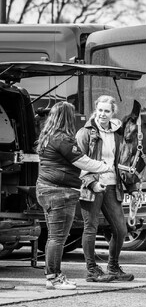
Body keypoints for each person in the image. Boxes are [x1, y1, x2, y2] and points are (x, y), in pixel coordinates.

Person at [36, 102, 111, 290]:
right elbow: (84, 162)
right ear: (68, 117)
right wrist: (107, 166)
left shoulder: (47, 136)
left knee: (54, 237)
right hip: (59, 193)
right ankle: (54, 278)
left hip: (46, 190)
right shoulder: (62, 139)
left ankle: (52, 276)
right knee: (57, 238)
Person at [76, 95, 140, 283]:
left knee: (120, 230)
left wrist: (132, 187)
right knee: (91, 228)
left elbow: (123, 163)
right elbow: (77, 162)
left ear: (113, 113)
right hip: (92, 186)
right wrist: (91, 182)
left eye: (107, 111)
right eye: (100, 110)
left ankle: (113, 267)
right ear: (96, 110)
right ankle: (91, 270)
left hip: (113, 186)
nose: (103, 114)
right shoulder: (85, 133)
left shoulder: (118, 133)